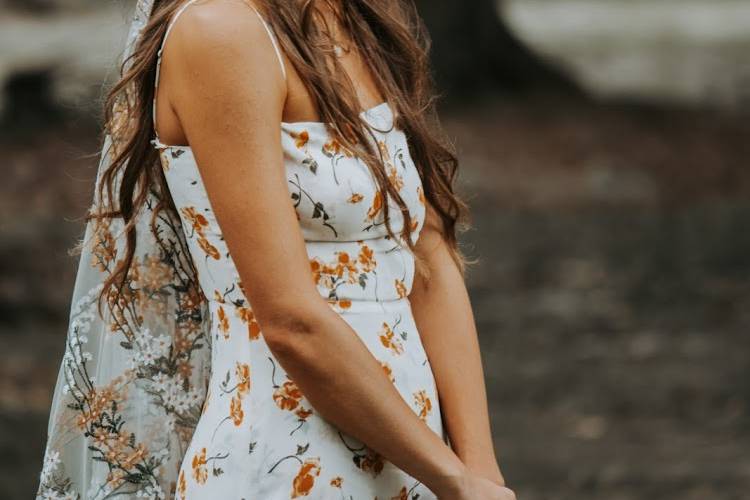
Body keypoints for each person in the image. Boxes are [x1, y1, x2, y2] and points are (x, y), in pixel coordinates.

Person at [36, 0, 515, 498]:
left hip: (421, 459)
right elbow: (291, 322)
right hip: (288, 460)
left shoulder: (355, 16)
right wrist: (452, 478)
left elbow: (427, 253)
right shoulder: (220, 32)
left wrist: (478, 468)